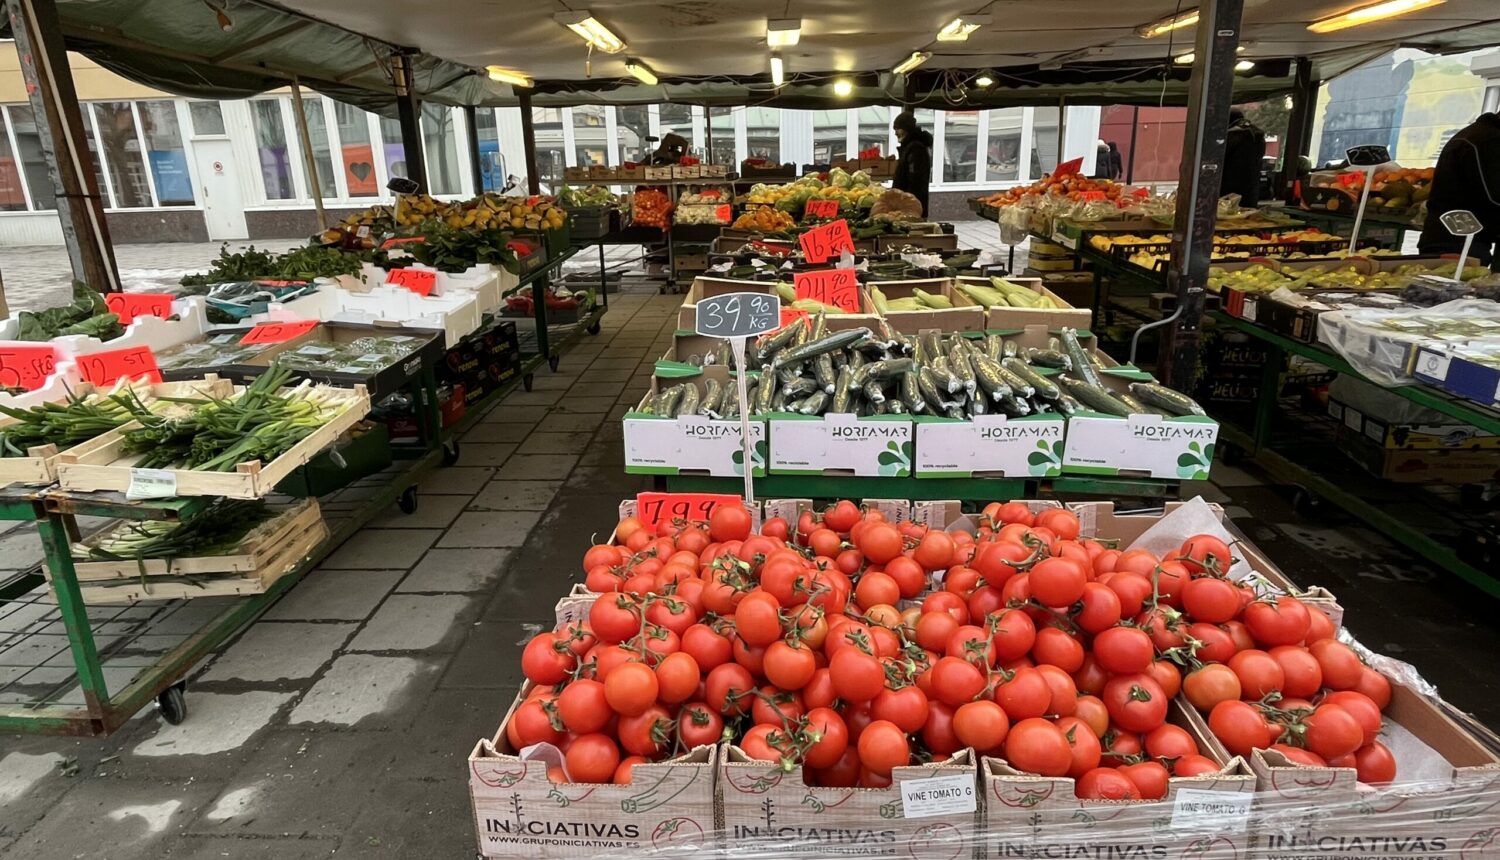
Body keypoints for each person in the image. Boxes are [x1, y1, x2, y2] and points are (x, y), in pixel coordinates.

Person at [1419, 112, 1499, 266]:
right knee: (1451, 286)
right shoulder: (1487, 141)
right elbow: (1494, 196)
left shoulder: (1479, 135)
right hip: (1457, 240)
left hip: (1462, 237)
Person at [1221, 109, 1267, 207]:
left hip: (1229, 192)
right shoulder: (1257, 136)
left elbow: (1218, 162)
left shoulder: (1233, 136)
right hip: (1251, 191)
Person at [892, 110, 933, 217]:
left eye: (897, 129)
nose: (895, 133)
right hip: (909, 203)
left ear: (906, 129)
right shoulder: (910, 147)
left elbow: (915, 180)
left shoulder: (915, 149)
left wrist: (906, 203)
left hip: (911, 206)